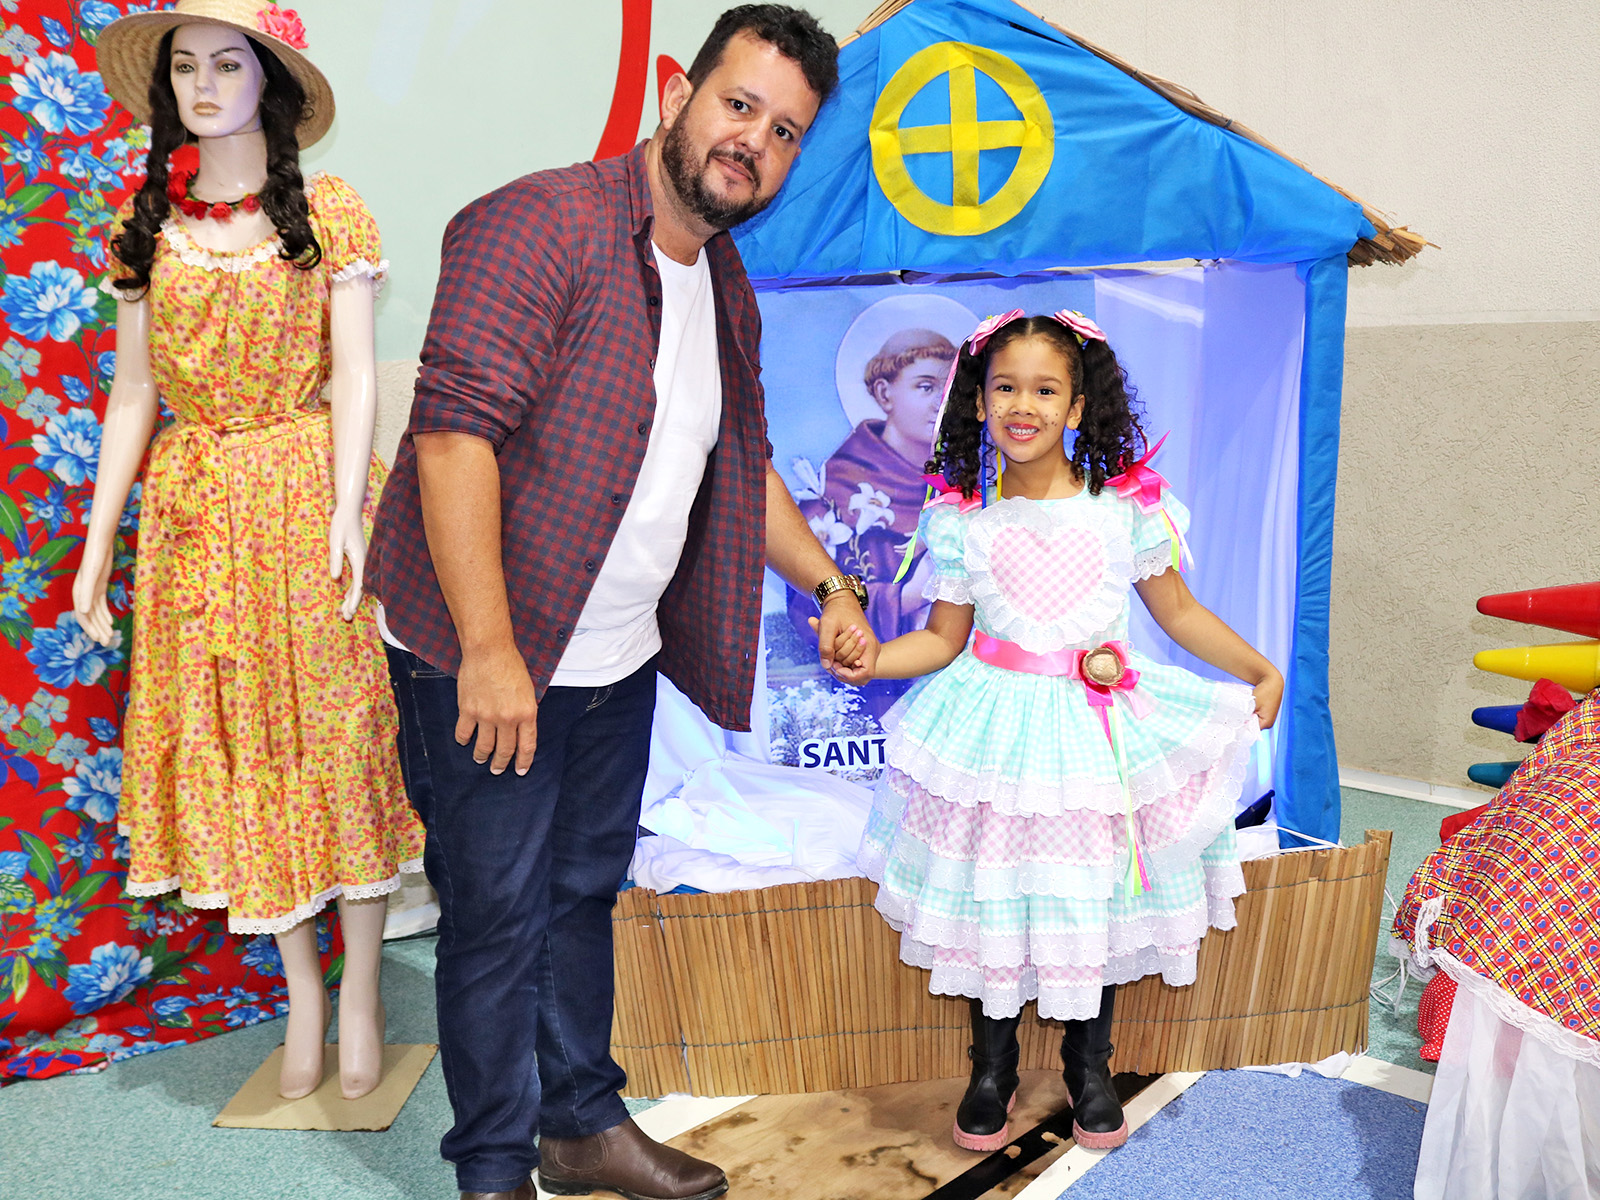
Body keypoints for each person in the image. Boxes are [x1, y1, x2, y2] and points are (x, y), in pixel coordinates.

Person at [365, 8, 866, 1200]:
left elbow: (738, 463)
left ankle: (582, 1126)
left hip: (614, 657)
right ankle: (493, 1170)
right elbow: (451, 438)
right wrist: (490, 650)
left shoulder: (726, 284)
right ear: (674, 92)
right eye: (739, 106)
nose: (753, 143)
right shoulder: (536, 223)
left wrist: (829, 584)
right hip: (488, 647)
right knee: (496, 916)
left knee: (582, 892)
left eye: (784, 132)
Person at [76, 0, 422, 1102]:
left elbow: (356, 373)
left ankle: (361, 992)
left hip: (307, 496)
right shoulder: (149, 228)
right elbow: (134, 391)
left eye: (229, 63)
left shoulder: (328, 212)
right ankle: (304, 993)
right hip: (198, 520)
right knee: (240, 749)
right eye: (187, 66)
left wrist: (346, 509)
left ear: (269, 82)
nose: (205, 85)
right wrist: (98, 544)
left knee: (341, 735)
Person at [836, 310, 1283, 1152]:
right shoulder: (962, 521)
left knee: (1092, 896)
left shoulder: (1126, 512)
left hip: (1093, 735)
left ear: (1078, 407)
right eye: (1005, 387)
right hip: (995, 734)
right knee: (995, 894)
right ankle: (992, 1068)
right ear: (979, 402)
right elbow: (942, 639)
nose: (1023, 406)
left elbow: (1180, 613)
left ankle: (1089, 1067)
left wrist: (1260, 670)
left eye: (1046, 390)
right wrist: (875, 660)